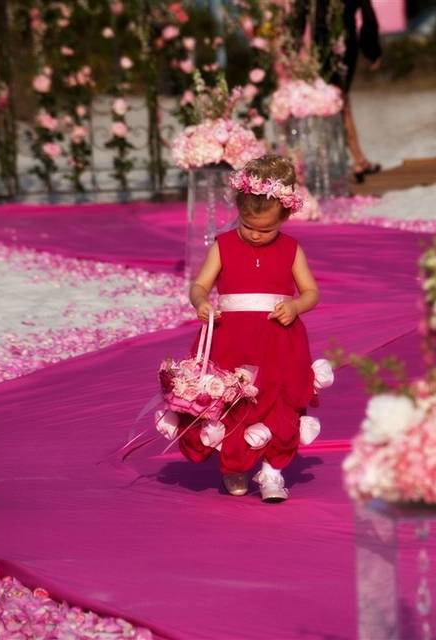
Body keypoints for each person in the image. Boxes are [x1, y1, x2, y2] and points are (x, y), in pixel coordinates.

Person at [178, 155, 325, 502]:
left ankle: (273, 471)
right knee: (231, 402)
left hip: (278, 339)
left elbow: (311, 292)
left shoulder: (291, 248)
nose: (256, 235)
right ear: (239, 212)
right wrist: (201, 303)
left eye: (266, 230)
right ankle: (234, 466)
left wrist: (295, 305)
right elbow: (199, 286)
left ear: (286, 217)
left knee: (282, 402)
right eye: (248, 226)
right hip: (231, 338)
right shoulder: (224, 245)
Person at [299, 0, 383, 181]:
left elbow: (301, 15)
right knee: (340, 101)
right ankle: (354, 160)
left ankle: (351, 159)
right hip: (345, 44)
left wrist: (295, 49)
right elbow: (368, 16)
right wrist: (372, 50)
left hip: (320, 48)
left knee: (334, 102)